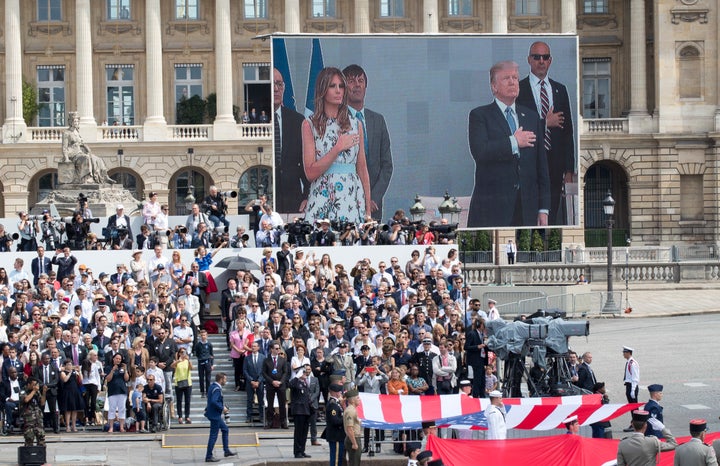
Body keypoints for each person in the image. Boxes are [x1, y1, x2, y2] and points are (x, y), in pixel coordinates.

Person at [467, 60, 550, 228]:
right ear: (494, 87)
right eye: (506, 78)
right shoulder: (480, 116)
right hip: (492, 208)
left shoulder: (532, 117)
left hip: (527, 207)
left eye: (515, 77)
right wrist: (514, 142)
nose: (513, 82)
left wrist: (544, 208)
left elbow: (542, 166)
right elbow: (480, 152)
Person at [302, 66, 372, 224]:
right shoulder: (309, 125)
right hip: (322, 195)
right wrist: (338, 147)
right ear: (323, 90)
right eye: (333, 86)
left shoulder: (356, 124)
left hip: (351, 196)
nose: (338, 90)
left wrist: (367, 209)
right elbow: (310, 172)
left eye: (341, 86)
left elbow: (362, 168)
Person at [517, 41, 576, 225]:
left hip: (555, 162)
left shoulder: (560, 89)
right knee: (530, 212)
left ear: (550, 61)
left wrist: (568, 170)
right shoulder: (519, 90)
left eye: (545, 57)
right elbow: (517, 126)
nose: (541, 61)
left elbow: (568, 132)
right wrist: (544, 123)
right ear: (529, 60)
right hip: (529, 161)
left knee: (553, 210)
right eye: (536, 57)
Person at [342, 64, 393, 221]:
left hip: (373, 205)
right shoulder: (336, 120)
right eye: (351, 81)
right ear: (343, 87)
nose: (357, 85)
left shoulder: (378, 120)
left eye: (361, 81)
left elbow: (387, 166)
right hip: (344, 201)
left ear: (365, 86)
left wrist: (374, 198)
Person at [272, 68, 309, 213]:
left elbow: (307, 163)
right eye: (271, 84)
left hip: (294, 203)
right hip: (266, 204)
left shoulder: (298, 121)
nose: (276, 89)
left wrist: (307, 196)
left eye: (279, 84)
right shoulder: (253, 121)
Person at [61, 111, 114, 184]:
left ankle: (105, 177)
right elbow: (64, 147)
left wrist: (86, 147)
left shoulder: (77, 132)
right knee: (86, 158)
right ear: (70, 122)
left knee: (97, 159)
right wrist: (66, 158)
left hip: (80, 153)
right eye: (74, 121)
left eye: (77, 121)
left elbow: (81, 144)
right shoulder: (66, 133)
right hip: (73, 155)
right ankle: (87, 178)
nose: (76, 122)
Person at [204, 372, 238, 462]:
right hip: (215, 415)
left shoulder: (212, 386)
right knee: (213, 435)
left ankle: (226, 450)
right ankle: (208, 456)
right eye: (225, 379)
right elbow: (214, 401)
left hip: (214, 414)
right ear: (221, 379)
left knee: (225, 429)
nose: (225, 381)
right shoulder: (217, 389)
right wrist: (222, 408)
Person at [262, 341, 289, 429]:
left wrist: (280, 381)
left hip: (281, 385)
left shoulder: (282, 360)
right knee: (270, 404)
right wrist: (272, 381)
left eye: (279, 348)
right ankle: (269, 422)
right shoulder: (266, 360)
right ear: (271, 349)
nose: (278, 350)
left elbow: (285, 372)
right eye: (276, 349)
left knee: (282, 404)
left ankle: (283, 422)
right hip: (271, 385)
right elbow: (264, 373)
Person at [289, 365, 313, 459]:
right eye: (303, 372)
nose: (305, 374)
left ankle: (302, 450)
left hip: (306, 410)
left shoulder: (305, 382)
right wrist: (296, 376)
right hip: (299, 411)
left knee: (304, 432)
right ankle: (297, 452)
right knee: (298, 432)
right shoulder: (296, 382)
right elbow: (290, 385)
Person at [104, 352, 129, 433]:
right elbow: (108, 379)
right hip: (112, 391)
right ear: (113, 359)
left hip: (122, 390)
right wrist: (112, 370)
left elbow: (126, 379)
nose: (118, 360)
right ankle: (111, 427)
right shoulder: (108, 367)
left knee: (122, 409)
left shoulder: (122, 368)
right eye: (117, 358)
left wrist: (125, 370)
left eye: (120, 359)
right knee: (112, 409)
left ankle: (122, 427)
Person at [464, 318, 488, 398]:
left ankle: (482, 395)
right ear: (480, 325)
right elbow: (466, 347)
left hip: (481, 360)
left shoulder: (482, 335)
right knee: (477, 380)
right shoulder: (472, 334)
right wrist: (477, 347)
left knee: (482, 381)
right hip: (475, 361)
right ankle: (476, 396)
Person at [59, 359, 84, 432]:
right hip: (67, 391)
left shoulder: (75, 372)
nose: (70, 366)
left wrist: (79, 372)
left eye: (71, 364)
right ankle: (67, 426)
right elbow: (65, 380)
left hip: (75, 391)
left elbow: (81, 380)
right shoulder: (63, 373)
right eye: (68, 364)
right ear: (65, 366)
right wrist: (69, 373)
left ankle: (74, 425)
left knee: (74, 409)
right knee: (68, 410)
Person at [19, 377, 46, 447]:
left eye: (35, 384)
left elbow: (42, 403)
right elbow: (26, 400)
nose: (35, 386)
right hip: (29, 419)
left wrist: (44, 393)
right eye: (33, 384)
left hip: (38, 418)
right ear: (29, 384)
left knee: (41, 438)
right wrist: (33, 391)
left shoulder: (37, 392)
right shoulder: (23, 391)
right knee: (29, 439)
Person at [243, 340, 265, 422]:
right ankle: (248, 417)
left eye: (255, 346)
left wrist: (258, 381)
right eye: (252, 346)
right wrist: (251, 380)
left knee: (260, 400)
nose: (253, 347)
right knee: (249, 400)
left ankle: (262, 416)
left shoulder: (263, 357)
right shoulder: (247, 358)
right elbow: (245, 370)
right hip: (250, 382)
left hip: (260, 382)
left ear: (258, 348)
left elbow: (264, 371)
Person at [325, 383, 346, 466]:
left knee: (339, 458)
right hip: (336, 435)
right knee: (336, 459)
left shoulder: (337, 403)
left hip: (339, 435)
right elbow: (335, 421)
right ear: (335, 392)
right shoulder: (333, 404)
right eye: (339, 391)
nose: (341, 393)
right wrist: (345, 419)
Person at [171, 348, 193, 425]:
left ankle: (187, 416)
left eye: (184, 352)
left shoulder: (187, 361)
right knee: (179, 400)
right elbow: (172, 366)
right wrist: (178, 360)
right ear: (179, 353)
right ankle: (180, 416)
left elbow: (191, 368)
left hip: (187, 382)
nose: (183, 354)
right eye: (181, 352)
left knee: (187, 400)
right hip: (179, 382)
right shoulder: (177, 361)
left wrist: (189, 360)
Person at [622, 346, 640, 433]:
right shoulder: (629, 362)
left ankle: (637, 423)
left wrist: (633, 390)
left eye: (624, 352)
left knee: (634, 407)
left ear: (629, 353)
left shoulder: (632, 363)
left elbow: (635, 378)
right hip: (629, 385)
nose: (623, 354)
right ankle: (635, 423)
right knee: (632, 407)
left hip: (632, 386)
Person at [343, 388, 363, 466]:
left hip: (354, 437)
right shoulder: (351, 411)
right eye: (357, 398)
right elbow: (349, 429)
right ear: (352, 400)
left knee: (355, 461)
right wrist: (354, 443)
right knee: (354, 462)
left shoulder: (352, 409)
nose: (359, 399)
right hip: (353, 438)